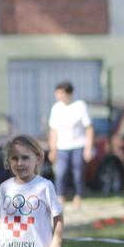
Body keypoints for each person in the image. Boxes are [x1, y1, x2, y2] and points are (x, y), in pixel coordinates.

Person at [48, 80, 93, 210]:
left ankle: (78, 197)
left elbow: (89, 128)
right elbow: (53, 130)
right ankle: (60, 198)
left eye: (61, 93)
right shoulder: (56, 108)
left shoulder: (80, 106)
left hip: (78, 145)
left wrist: (88, 148)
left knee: (78, 173)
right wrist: (52, 149)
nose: (58, 96)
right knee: (60, 172)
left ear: (69, 93)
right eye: (57, 93)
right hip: (62, 147)